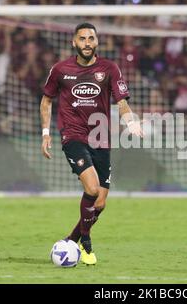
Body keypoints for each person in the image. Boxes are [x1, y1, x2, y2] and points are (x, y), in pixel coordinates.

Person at [40, 23, 144, 265]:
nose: (87, 42)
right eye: (82, 39)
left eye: (91, 38)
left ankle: (70, 240)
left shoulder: (109, 69)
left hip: (101, 138)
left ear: (97, 42)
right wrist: (46, 133)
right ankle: (85, 241)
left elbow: (122, 103)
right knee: (92, 188)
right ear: (73, 43)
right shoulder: (60, 69)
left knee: (100, 202)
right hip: (73, 135)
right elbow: (46, 101)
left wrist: (131, 122)